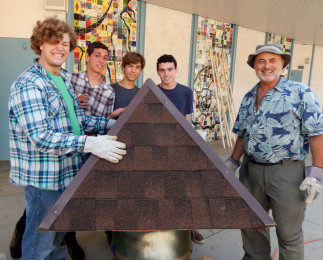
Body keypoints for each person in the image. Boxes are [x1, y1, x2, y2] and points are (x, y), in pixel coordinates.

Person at [8, 18, 127, 260]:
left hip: (67, 173)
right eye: (53, 41)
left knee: (58, 238)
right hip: (45, 181)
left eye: (65, 43)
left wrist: (112, 125)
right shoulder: (30, 83)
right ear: (40, 44)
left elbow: (78, 120)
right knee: (39, 245)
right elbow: (41, 137)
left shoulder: (63, 79)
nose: (60, 48)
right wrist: (89, 143)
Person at [225, 43, 323, 260]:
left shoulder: (301, 93)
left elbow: (317, 133)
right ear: (254, 66)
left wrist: (317, 171)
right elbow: (242, 133)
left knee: (288, 234)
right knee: (252, 226)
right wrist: (232, 161)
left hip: (286, 174)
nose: (266, 66)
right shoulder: (250, 96)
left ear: (282, 64)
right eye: (261, 61)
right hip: (251, 172)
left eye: (272, 60)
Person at [156, 54, 205, 244]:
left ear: (176, 70)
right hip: (159, 149)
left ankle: (189, 228)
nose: (166, 74)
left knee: (187, 191)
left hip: (179, 148)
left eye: (169, 69)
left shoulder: (186, 92)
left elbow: (186, 120)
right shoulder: (152, 91)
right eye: (162, 70)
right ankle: (164, 229)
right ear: (158, 71)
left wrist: (190, 146)